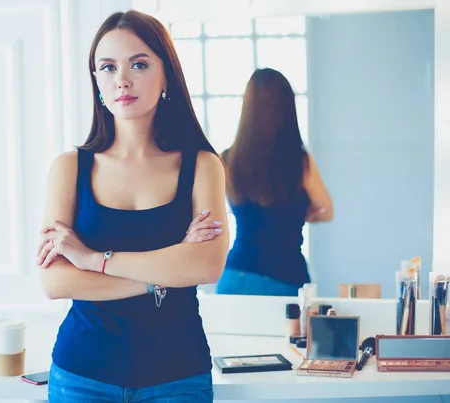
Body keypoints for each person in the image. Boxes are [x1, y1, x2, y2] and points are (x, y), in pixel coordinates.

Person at [35, 10, 229, 402]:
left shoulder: (203, 166)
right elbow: (55, 282)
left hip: (178, 375)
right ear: (97, 82)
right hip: (81, 376)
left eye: (138, 64)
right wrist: (164, 275)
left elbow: (206, 266)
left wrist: (92, 260)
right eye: (108, 67)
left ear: (166, 75)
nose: (121, 79)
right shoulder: (69, 169)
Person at [216, 68, 333, 297]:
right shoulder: (300, 162)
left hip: (235, 277)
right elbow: (327, 211)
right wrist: (308, 213)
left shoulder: (227, 159)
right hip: (285, 279)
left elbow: (211, 212)